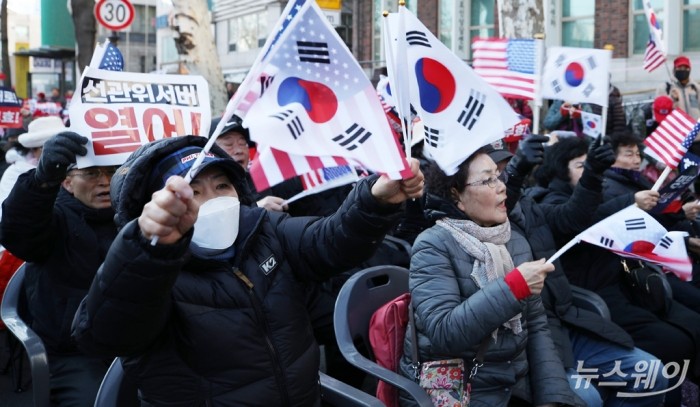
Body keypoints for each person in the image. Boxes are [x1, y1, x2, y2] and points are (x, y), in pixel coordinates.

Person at [71, 135, 424, 406]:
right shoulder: (153, 271)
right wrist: (146, 250)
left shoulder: (264, 229)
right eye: (193, 191)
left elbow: (330, 239)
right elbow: (107, 333)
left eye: (222, 186)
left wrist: (376, 201)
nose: (213, 200)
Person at [399, 147, 582, 406]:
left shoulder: (513, 240)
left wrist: (552, 396)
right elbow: (444, 333)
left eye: (499, 176)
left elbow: (537, 324)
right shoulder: (433, 244)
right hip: (462, 386)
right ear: (457, 196)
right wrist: (513, 288)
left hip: (514, 379)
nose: (501, 188)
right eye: (487, 180)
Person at [0, 131, 119, 406]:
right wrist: (41, 180)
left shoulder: (137, 215)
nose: (104, 182)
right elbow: (18, 232)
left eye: (112, 171)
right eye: (91, 173)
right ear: (66, 182)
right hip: (74, 352)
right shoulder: (55, 219)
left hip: (137, 346)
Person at [210, 116, 288, 212]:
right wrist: (256, 209)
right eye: (229, 144)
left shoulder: (262, 180)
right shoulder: (203, 187)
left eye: (242, 143)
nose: (239, 150)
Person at [0, 117, 66, 219]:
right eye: (50, 148)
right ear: (34, 150)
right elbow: (7, 216)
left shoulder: (77, 168)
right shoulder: (15, 173)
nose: (58, 152)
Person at [657, 55, 700, 120]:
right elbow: (659, 111)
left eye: (686, 68)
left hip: (695, 128)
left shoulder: (696, 88)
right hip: (676, 128)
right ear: (674, 70)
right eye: (679, 67)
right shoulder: (665, 88)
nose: (683, 70)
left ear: (689, 70)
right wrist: (671, 99)